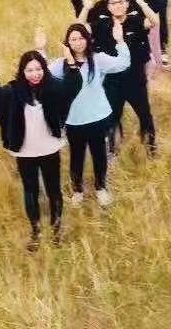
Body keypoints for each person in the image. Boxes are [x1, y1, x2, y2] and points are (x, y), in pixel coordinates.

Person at [0, 49, 70, 250]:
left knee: (53, 189)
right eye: (29, 70)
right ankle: (36, 230)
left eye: (38, 69)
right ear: (22, 71)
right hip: (25, 151)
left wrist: (70, 62)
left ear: (44, 69)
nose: (35, 74)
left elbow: (71, 88)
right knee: (30, 191)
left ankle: (56, 228)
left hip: (50, 148)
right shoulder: (13, 90)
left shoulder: (52, 87)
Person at [46, 22, 131, 207]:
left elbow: (123, 63)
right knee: (76, 157)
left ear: (87, 39)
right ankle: (77, 191)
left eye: (81, 38)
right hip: (74, 120)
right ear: (67, 43)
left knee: (99, 154)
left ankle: (101, 187)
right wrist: (40, 49)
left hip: (97, 117)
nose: (77, 43)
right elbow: (42, 75)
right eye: (73, 39)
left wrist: (120, 41)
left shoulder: (97, 59)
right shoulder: (61, 65)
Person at [72, 0, 158, 156]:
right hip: (112, 82)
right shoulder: (102, 24)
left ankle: (151, 149)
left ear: (127, 4)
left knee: (145, 115)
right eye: (113, 3)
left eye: (121, 2)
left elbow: (154, 22)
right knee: (112, 119)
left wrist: (142, 3)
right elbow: (79, 29)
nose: (117, 6)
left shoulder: (135, 20)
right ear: (108, 7)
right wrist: (86, 8)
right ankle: (113, 151)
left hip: (136, 81)